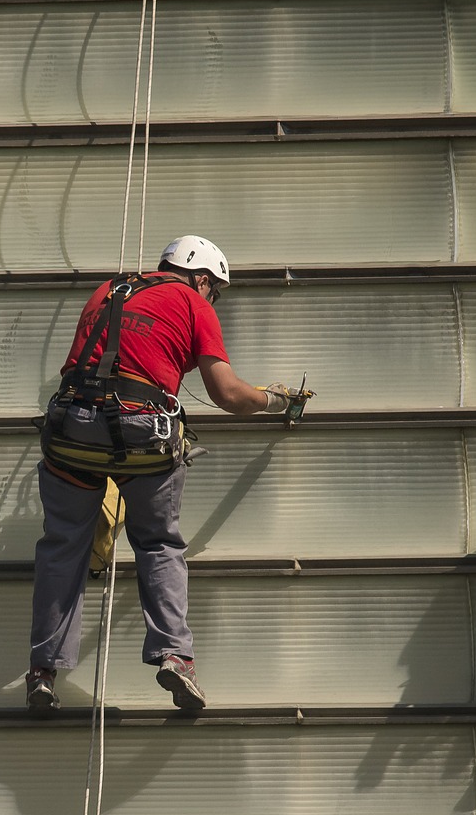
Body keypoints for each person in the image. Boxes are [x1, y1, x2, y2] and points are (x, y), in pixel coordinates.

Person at [25, 234, 307, 715]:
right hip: (140, 433)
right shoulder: (192, 303)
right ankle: (175, 657)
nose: (211, 298)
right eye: (213, 289)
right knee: (157, 542)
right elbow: (228, 395)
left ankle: (43, 672)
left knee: (62, 545)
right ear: (201, 277)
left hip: (71, 429)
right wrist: (276, 400)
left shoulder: (107, 291)